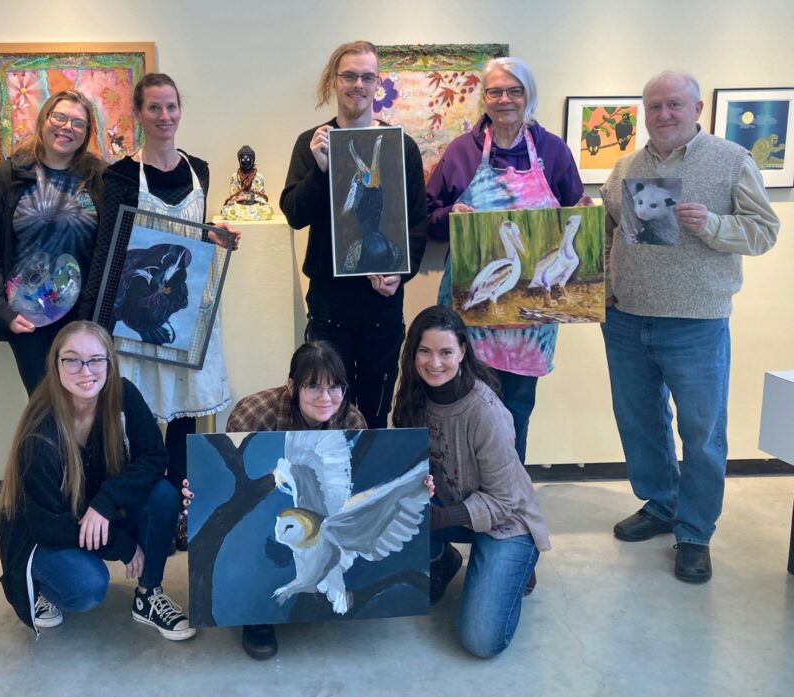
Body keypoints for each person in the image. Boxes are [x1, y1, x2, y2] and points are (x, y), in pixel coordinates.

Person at [600, 71, 779, 583]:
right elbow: (610, 228)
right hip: (627, 317)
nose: (663, 115)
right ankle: (660, 504)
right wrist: (604, 287)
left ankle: (695, 532)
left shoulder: (730, 160)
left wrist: (715, 225)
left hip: (696, 322)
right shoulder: (625, 166)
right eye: (654, 106)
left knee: (701, 434)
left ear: (697, 107)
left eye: (674, 105)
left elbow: (765, 232)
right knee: (639, 421)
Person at [79, 73, 239, 550]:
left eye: (171, 107)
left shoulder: (201, 171)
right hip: (134, 317)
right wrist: (94, 323)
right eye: (154, 108)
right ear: (139, 114)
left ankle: (180, 516)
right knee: (141, 420)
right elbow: (109, 248)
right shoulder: (120, 177)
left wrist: (216, 236)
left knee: (185, 421)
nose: (165, 117)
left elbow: (192, 235)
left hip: (189, 313)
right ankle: (147, 512)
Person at [425, 56, 586, 465]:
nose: (504, 100)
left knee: (516, 409)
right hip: (470, 313)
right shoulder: (462, 152)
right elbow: (426, 217)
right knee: (463, 405)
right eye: (495, 91)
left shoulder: (553, 151)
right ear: (484, 97)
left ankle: (510, 500)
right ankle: (462, 494)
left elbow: (577, 218)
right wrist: (451, 218)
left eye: (514, 91)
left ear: (528, 95)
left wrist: (586, 215)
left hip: (529, 322)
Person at [0, 320, 195, 640]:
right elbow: (49, 527)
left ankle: (148, 596)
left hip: (95, 513)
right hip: (42, 534)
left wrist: (106, 502)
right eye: (72, 360)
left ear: (109, 363)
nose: (85, 371)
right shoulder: (40, 432)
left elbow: (155, 457)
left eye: (96, 359)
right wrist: (124, 546)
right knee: (87, 587)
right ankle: (42, 587)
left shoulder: (122, 393)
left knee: (163, 495)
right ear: (56, 364)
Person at [181, 340, 368, 659]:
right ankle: (256, 617)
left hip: (319, 512)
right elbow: (230, 485)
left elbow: (355, 490)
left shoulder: (351, 420)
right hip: (265, 501)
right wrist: (201, 494)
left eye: (335, 387)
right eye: (313, 387)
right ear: (292, 386)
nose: (326, 398)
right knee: (253, 534)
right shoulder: (253, 414)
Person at [279, 40, 428, 430]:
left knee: (376, 406)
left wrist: (401, 273)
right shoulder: (312, 143)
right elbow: (294, 214)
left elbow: (416, 222)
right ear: (334, 80)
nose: (357, 84)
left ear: (377, 83)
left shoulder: (402, 148)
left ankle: (371, 488)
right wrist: (320, 169)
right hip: (329, 302)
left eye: (366, 76)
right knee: (325, 406)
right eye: (349, 75)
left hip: (381, 303)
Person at [392, 305, 550, 658]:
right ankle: (443, 559)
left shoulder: (486, 411)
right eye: (424, 351)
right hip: (447, 506)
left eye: (446, 352)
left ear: (463, 352)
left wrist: (441, 519)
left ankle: (514, 563)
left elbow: (506, 501)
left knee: (480, 641)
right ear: (413, 353)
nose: (435, 363)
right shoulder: (411, 398)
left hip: (506, 522)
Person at [0, 90, 106, 395]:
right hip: (28, 321)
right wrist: (1, 309)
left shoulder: (99, 177)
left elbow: (133, 229)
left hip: (85, 319)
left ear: (87, 133)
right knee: (46, 410)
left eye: (78, 122)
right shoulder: (8, 176)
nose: (66, 127)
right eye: (59, 117)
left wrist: (204, 232)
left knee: (89, 410)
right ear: (44, 119)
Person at [220, 145, 274, 221]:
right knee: (227, 211)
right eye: (243, 159)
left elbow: (261, 196)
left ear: (253, 159)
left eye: (248, 158)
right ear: (239, 160)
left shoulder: (259, 176)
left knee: (268, 210)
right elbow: (233, 195)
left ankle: (245, 216)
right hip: (239, 205)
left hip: (255, 204)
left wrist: (250, 198)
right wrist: (242, 198)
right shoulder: (235, 176)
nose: (246, 161)